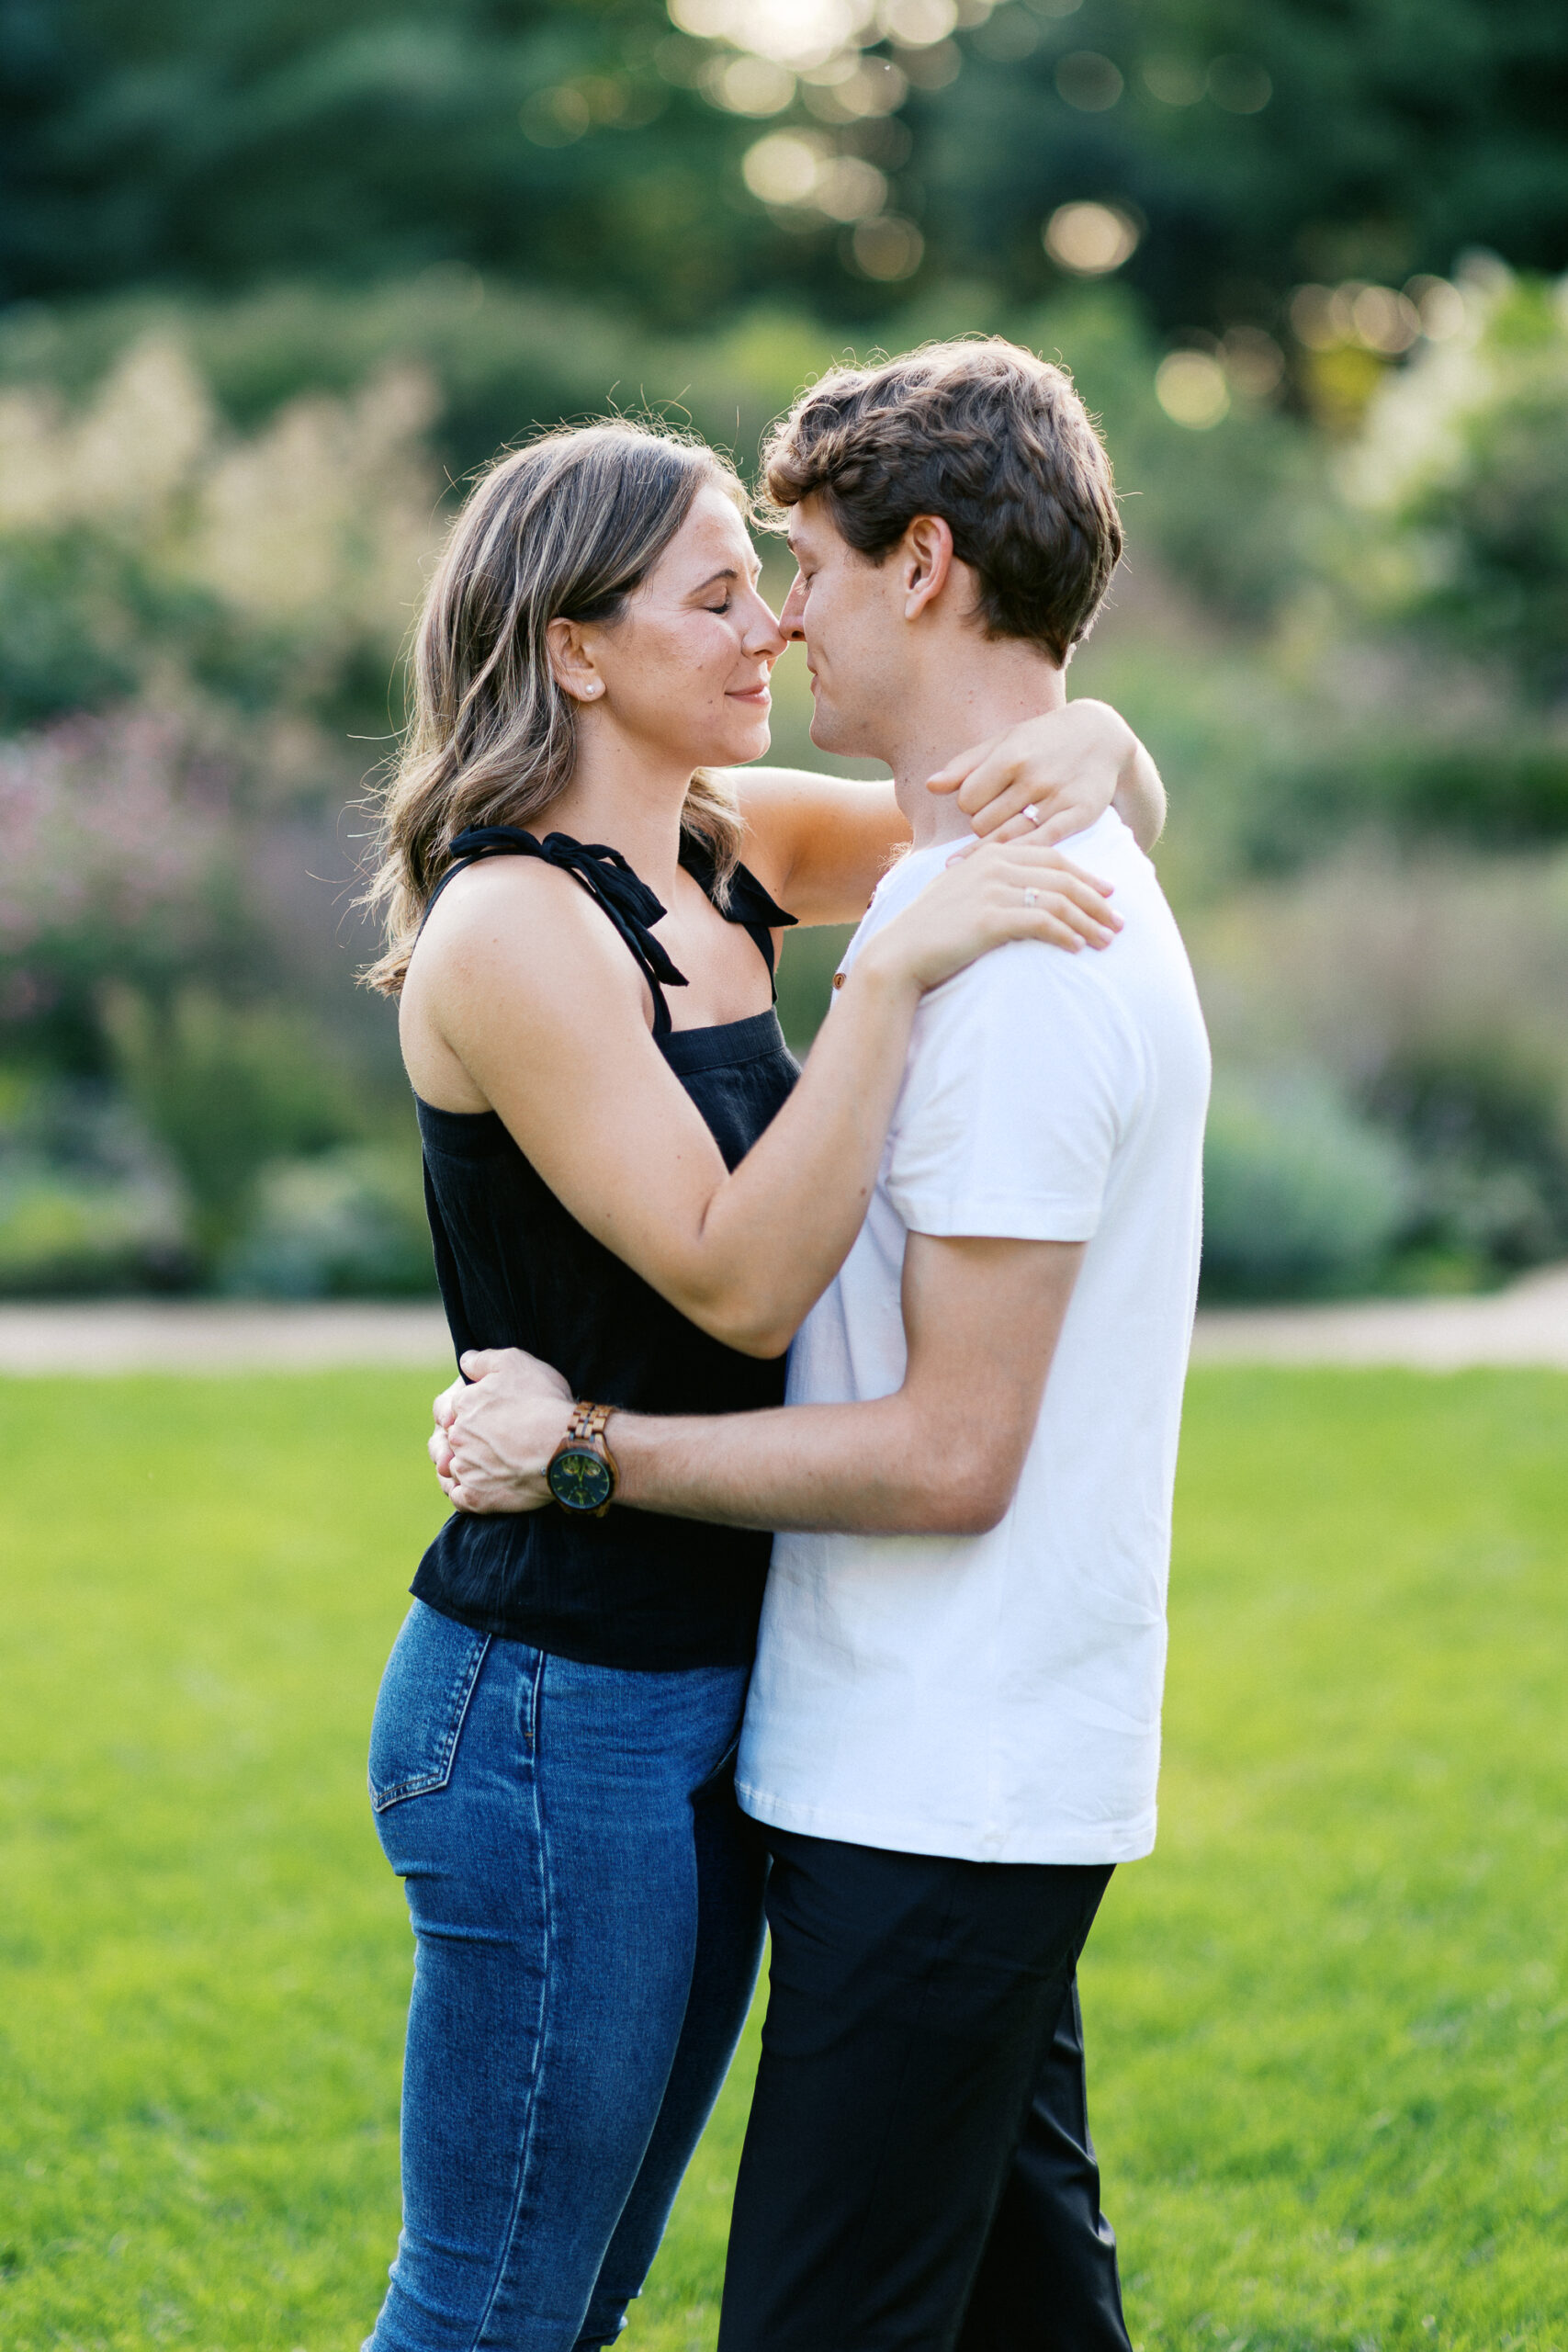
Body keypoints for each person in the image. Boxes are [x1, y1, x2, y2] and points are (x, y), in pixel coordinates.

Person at [431, 341, 1212, 2352]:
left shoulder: (736, 840)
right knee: (516, 2297)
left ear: (919, 558)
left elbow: (995, 794)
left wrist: (1104, 736)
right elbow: (737, 1285)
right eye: (718, 588)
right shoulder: (517, 923)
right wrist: (893, 972)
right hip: (566, 1688)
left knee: (631, 2285)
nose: (773, 613)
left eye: (775, 567)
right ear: (573, 651)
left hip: (765, 1685)